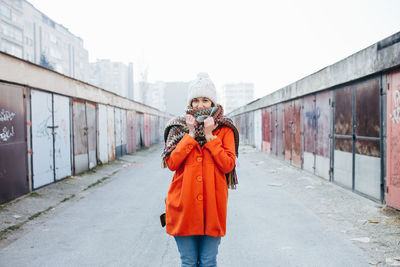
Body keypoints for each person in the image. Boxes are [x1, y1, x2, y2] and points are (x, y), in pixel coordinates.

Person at [161, 72, 239, 267]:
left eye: (205, 100)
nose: (200, 105)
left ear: (213, 102)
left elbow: (228, 164)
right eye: (195, 100)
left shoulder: (225, 129)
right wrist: (190, 135)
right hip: (183, 206)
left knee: (208, 261)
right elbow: (171, 164)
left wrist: (210, 136)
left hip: (212, 207)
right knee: (188, 262)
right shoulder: (178, 127)